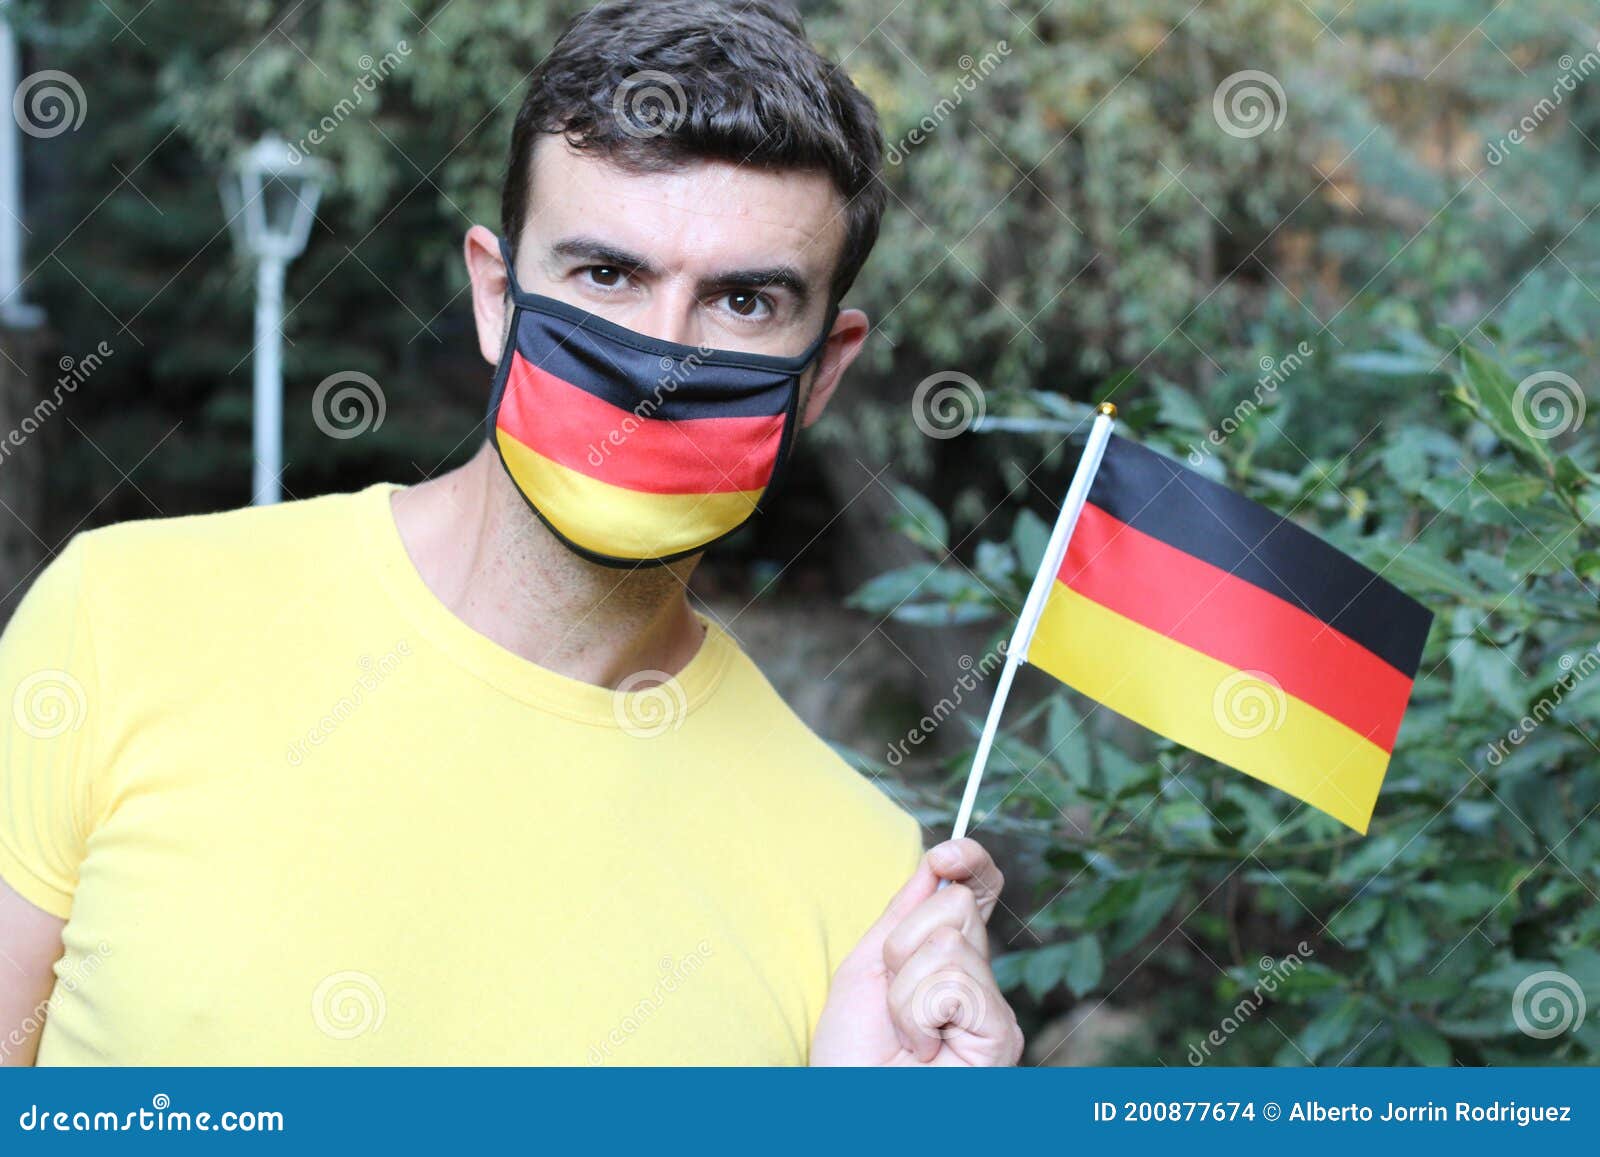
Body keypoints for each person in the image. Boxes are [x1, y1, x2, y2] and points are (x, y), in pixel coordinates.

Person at [0, 0, 1021, 1066]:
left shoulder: (865, 886)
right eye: (607, 274)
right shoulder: (121, 622)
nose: (660, 364)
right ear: (496, 295)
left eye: (745, 301)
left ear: (825, 370)